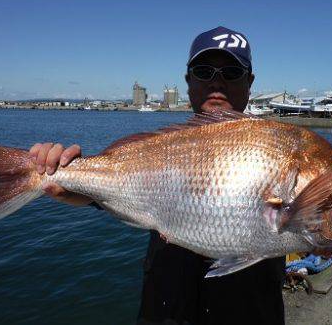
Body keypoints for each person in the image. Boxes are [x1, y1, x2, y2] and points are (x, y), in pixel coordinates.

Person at [30, 26, 286, 325]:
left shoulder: (275, 146)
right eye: (204, 71)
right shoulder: (157, 146)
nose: (217, 81)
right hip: (164, 313)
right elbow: (115, 190)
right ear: (188, 80)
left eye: (231, 71)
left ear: (249, 81)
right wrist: (68, 183)